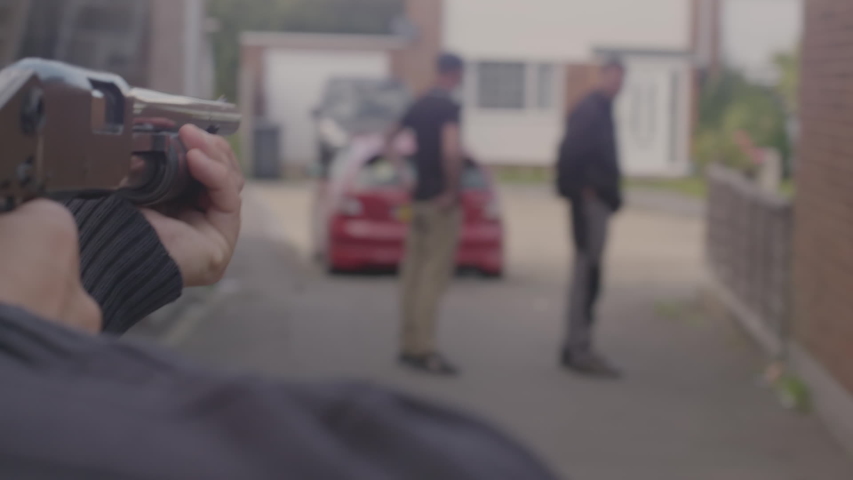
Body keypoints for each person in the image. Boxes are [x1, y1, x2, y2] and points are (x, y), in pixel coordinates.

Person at [0, 125, 561, 480]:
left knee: (417, 289)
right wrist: (34, 337)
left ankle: (416, 342)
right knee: (428, 287)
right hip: (436, 210)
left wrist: (100, 269)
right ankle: (422, 344)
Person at [384, 53, 467, 376]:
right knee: (434, 277)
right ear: (456, 74)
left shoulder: (419, 104)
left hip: (417, 200)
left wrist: (404, 174)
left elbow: (388, 138)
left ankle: (407, 344)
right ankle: (426, 349)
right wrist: (451, 190)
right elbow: (450, 150)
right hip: (440, 204)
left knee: (413, 275)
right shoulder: (448, 107)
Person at [555, 58, 627, 378]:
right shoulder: (590, 110)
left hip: (598, 202)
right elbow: (569, 154)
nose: (616, 84)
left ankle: (579, 345)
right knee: (586, 274)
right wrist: (581, 191)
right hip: (589, 205)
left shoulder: (603, 109)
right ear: (602, 77)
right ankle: (578, 348)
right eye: (612, 78)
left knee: (591, 273)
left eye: (620, 79)